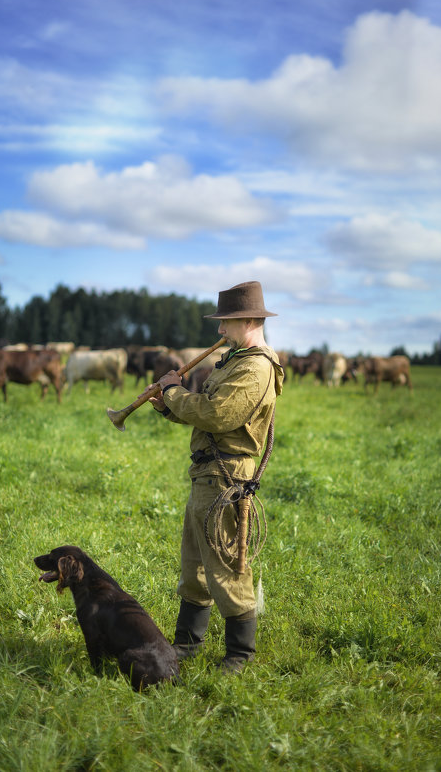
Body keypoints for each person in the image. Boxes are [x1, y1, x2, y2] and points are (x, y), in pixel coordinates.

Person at [148, 281, 284, 672]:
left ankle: (240, 654)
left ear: (248, 319)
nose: (220, 331)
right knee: (195, 564)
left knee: (226, 565)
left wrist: (175, 393)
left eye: (226, 322)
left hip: (226, 477)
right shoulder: (236, 360)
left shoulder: (256, 366)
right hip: (207, 473)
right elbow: (205, 411)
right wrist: (166, 406)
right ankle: (188, 645)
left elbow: (218, 414)